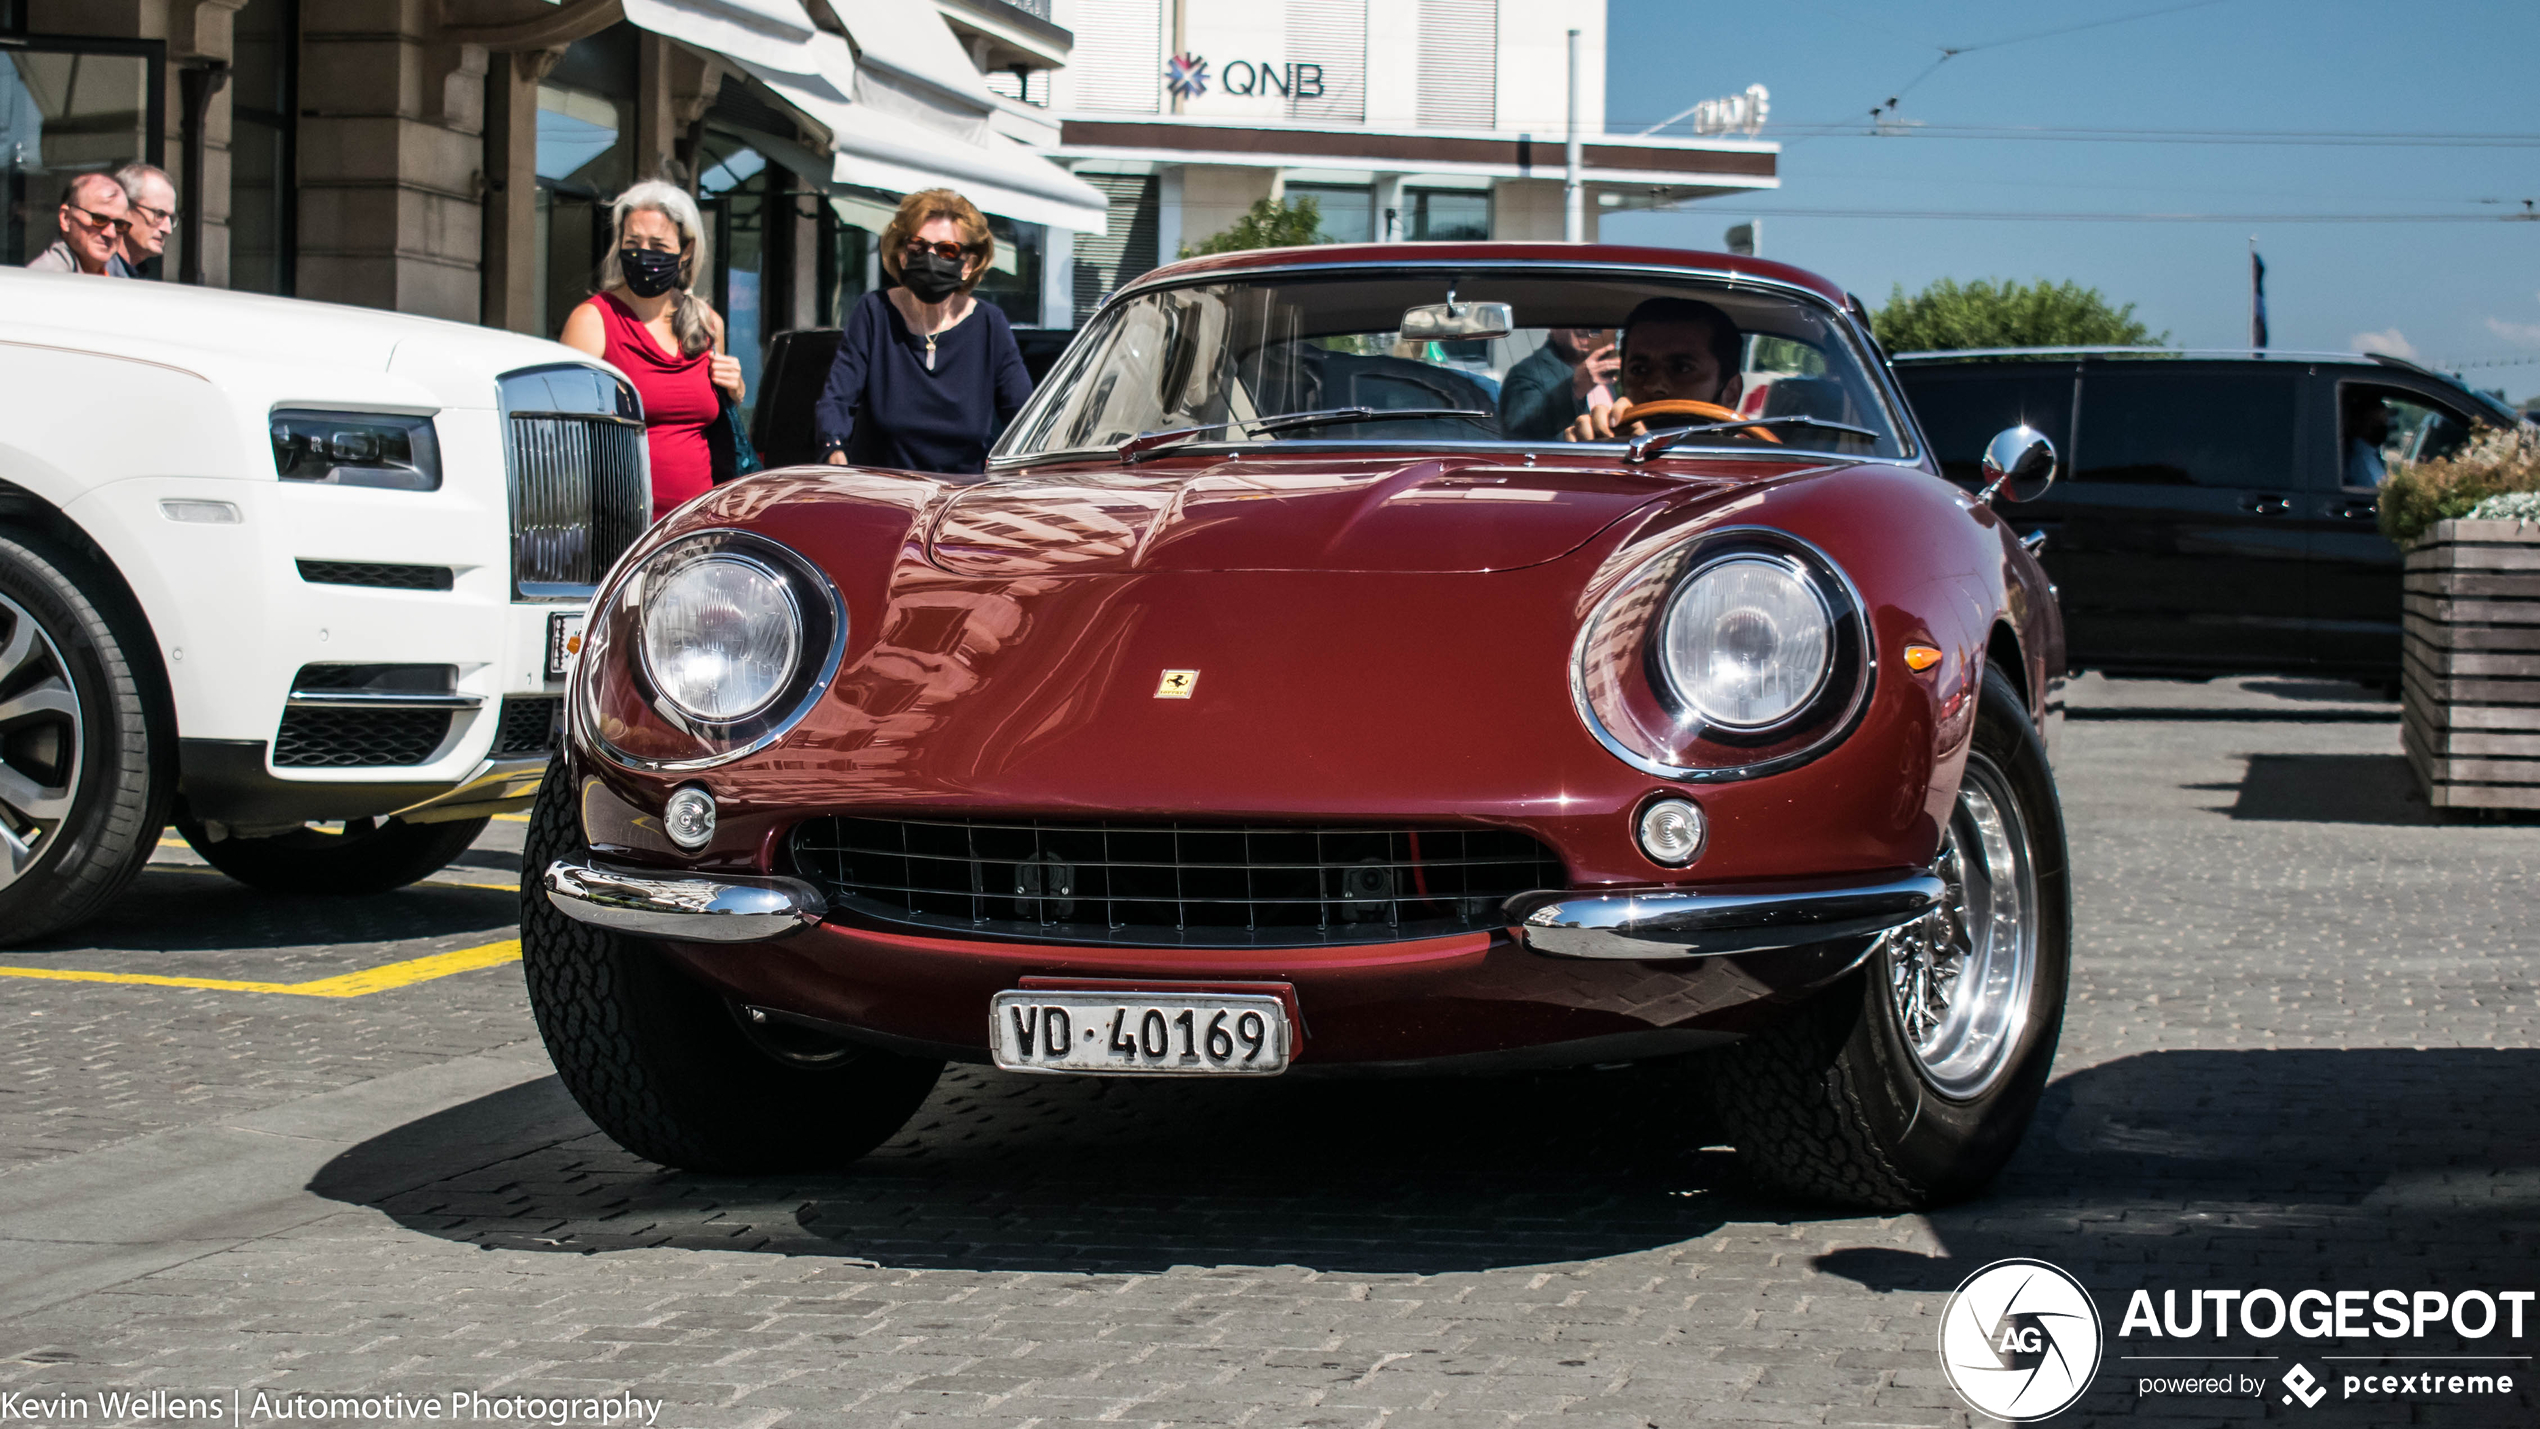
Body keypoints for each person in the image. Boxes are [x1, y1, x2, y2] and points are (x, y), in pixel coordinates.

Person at [558, 180, 746, 521]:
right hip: (622, 528)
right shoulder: (593, 321)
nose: (643, 255)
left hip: (699, 527)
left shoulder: (706, 324)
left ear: (685, 250)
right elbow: (563, 434)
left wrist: (735, 390)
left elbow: (720, 426)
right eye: (632, 243)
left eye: (658, 245)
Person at [814, 188, 1030, 475]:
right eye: (917, 247)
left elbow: (1026, 419)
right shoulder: (874, 313)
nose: (930, 258)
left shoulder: (990, 324)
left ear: (968, 264)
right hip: (885, 495)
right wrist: (835, 449)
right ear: (903, 256)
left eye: (946, 250)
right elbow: (837, 399)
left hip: (961, 499)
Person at [1562, 298, 1746, 443]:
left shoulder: (1760, 477)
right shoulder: (1604, 448)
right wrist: (1592, 457)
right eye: (1639, 370)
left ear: (1730, 393)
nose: (1654, 385)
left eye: (1682, 368)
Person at [1497, 327, 1616, 441]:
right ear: (1554, 327)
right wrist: (1576, 388)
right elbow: (1519, 430)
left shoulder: (1602, 369)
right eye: (1575, 319)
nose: (1586, 329)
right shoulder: (1527, 372)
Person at [24, 173, 134, 277]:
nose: (111, 233)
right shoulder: (46, 280)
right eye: (100, 219)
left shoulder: (120, 280)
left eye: (120, 224)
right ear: (66, 218)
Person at [113, 163, 177, 278]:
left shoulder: (138, 276)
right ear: (124, 207)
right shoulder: (96, 272)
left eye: (171, 218)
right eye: (159, 214)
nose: (168, 230)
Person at [2343, 388, 2391, 489]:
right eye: (2376, 422)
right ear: (2360, 423)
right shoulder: (2360, 459)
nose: (2382, 427)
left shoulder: (2373, 455)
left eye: (2384, 422)